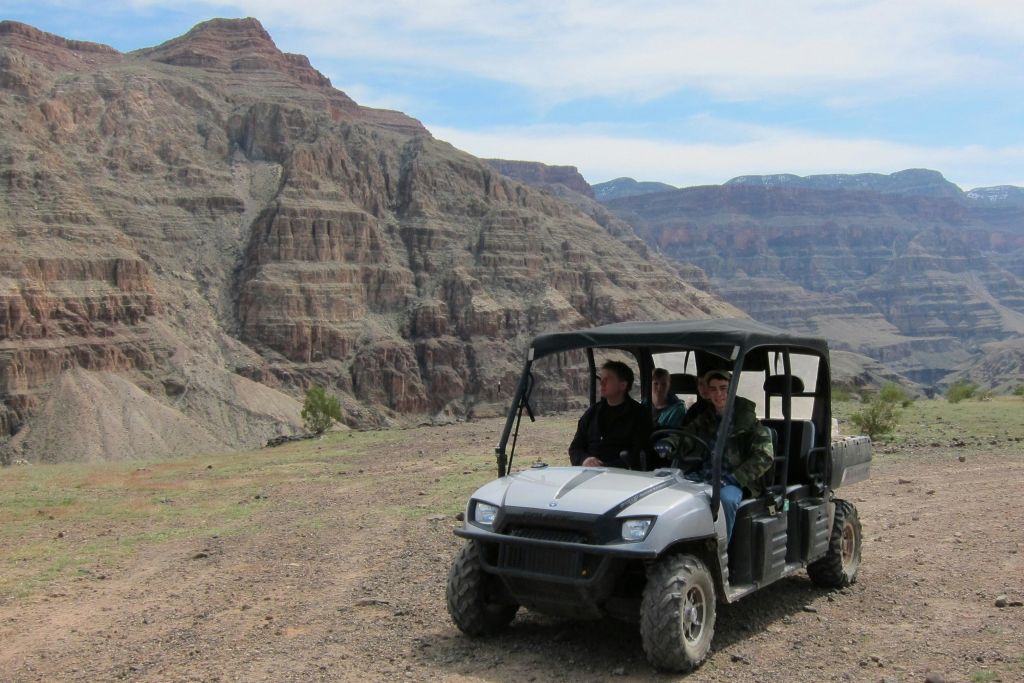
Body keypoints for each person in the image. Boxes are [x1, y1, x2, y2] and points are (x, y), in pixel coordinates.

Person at [658, 370, 773, 542]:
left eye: (723, 388)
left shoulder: (748, 422)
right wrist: (670, 443)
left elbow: (764, 456)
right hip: (706, 475)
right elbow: (687, 437)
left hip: (736, 481)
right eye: (713, 389)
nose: (718, 394)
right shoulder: (706, 419)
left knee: (725, 500)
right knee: (670, 491)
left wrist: (735, 478)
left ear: (732, 389)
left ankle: (722, 550)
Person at [568, 360, 652, 469]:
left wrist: (605, 467)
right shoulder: (592, 413)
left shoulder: (639, 415)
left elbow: (640, 455)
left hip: (624, 478)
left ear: (622, 385)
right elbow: (575, 448)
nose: (602, 383)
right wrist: (584, 459)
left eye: (607, 379)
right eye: (601, 379)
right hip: (589, 476)